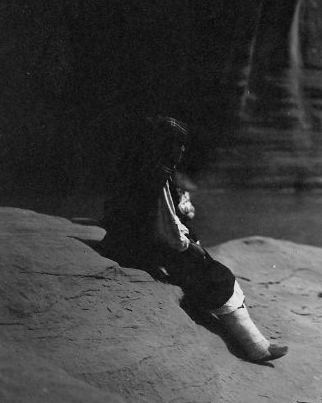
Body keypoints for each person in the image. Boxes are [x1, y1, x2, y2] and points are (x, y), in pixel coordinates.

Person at [99, 116, 288, 362]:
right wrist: (190, 246)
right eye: (178, 144)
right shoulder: (157, 175)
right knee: (217, 275)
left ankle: (253, 340)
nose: (182, 150)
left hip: (124, 242)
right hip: (147, 248)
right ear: (165, 146)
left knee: (203, 266)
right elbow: (167, 231)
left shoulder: (137, 166)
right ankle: (255, 346)